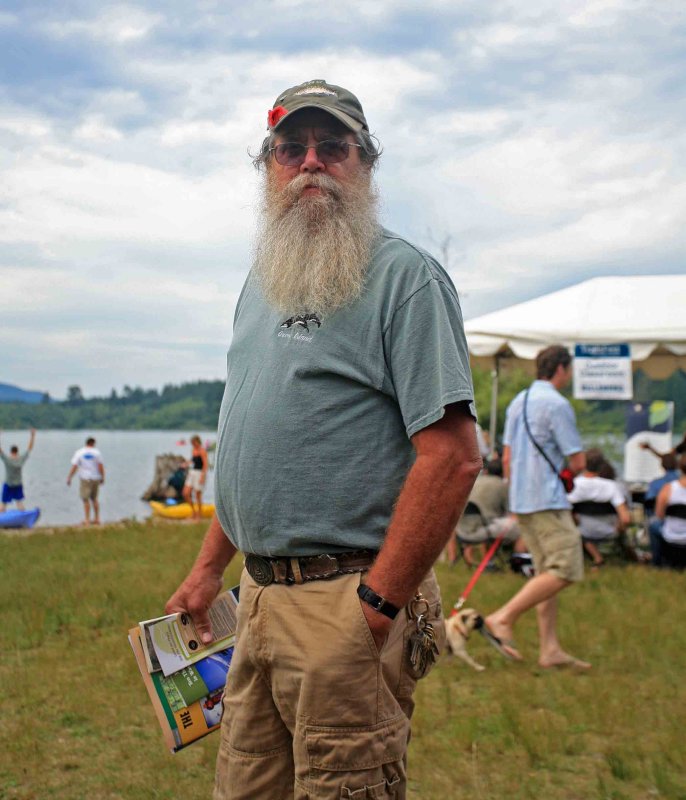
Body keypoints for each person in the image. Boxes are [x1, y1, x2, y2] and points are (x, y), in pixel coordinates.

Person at [165, 79, 481, 799]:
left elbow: (454, 456)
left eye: (332, 147)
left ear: (364, 164)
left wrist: (374, 608)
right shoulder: (261, 282)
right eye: (290, 148)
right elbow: (262, 448)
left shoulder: (405, 278)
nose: (311, 162)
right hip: (257, 602)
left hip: (346, 603)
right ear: (267, 168)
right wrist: (210, 568)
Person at [483, 345, 590, 669]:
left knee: (545, 572)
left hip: (524, 500)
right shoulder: (557, 404)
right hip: (547, 498)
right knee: (566, 567)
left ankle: (550, 649)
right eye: (568, 369)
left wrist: (516, 499)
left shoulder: (520, 401)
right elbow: (578, 460)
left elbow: (506, 456)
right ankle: (503, 618)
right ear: (560, 368)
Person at [567, 448, 631, 568]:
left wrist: (575, 521)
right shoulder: (612, 487)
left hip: (583, 531)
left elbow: (565, 512)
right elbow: (626, 518)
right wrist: (619, 529)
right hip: (610, 531)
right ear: (602, 465)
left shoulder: (574, 485)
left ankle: (596, 558)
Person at [644, 453, 680, 566]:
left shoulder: (656, 484)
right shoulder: (680, 483)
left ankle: (656, 561)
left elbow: (649, 504)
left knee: (652, 523)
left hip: (666, 524)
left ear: (662, 466)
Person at [654, 453, 686, 569]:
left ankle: (656, 562)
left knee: (654, 526)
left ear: (680, 467)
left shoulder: (668, 488)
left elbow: (659, 514)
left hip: (672, 535)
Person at [67, 437, 105, 525]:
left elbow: (75, 466)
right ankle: (97, 519)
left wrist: (69, 477)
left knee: (85, 499)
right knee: (94, 499)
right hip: (95, 478)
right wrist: (102, 477)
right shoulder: (97, 453)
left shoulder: (79, 452)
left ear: (86, 443)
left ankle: (87, 520)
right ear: (93, 443)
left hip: (85, 478)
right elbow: (100, 466)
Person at [0, 428, 36, 512]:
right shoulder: (21, 459)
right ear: (17, 452)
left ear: (11, 452)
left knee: (3, 504)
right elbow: (29, 449)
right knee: (19, 503)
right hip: (18, 485)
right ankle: (23, 518)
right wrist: (32, 436)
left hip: (8, 484)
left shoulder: (7, 459)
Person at [183, 435, 209, 520]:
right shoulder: (193, 450)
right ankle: (194, 512)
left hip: (200, 473)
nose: (193, 444)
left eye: (194, 442)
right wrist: (186, 464)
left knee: (198, 495)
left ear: (198, 442)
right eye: (192, 443)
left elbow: (205, 465)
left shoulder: (202, 451)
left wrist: (203, 476)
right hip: (192, 472)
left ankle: (199, 515)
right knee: (185, 493)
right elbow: (193, 460)